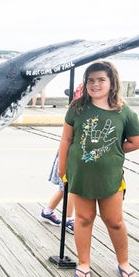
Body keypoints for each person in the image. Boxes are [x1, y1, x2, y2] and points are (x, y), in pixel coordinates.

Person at [58, 60, 139, 277]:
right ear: (85, 83)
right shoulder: (76, 108)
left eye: (101, 80)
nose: (95, 84)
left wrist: (112, 148)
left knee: (114, 220)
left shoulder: (125, 112)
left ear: (112, 82)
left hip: (110, 176)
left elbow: (136, 142)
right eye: (91, 80)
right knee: (84, 218)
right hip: (81, 174)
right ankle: (83, 262)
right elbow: (67, 139)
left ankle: (123, 262)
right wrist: (62, 167)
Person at [39, 83, 84, 232]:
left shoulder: (78, 110)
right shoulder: (78, 113)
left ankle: (47, 212)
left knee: (64, 188)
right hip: (70, 155)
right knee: (71, 188)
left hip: (69, 153)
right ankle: (69, 219)